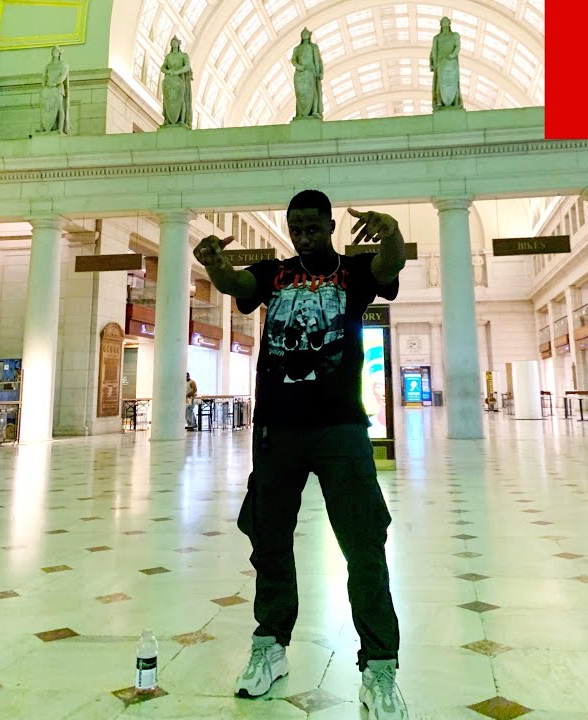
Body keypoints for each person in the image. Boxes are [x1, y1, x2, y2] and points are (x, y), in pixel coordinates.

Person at [193, 190, 410, 718]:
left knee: (363, 542)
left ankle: (379, 665)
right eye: (296, 227)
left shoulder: (353, 272)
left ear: (331, 226)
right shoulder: (274, 273)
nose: (304, 235)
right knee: (268, 540)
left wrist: (392, 233)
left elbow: (390, 265)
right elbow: (237, 286)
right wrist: (215, 264)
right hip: (278, 430)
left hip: (340, 428)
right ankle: (270, 643)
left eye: (313, 226)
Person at [429, 16, 463, 109]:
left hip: (452, 63)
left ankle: (455, 102)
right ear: (440, 24)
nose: (445, 22)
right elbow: (434, 51)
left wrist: (452, 55)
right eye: (443, 21)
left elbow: (458, 46)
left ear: (449, 23)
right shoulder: (437, 38)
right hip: (441, 63)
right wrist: (433, 63)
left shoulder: (455, 35)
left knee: (453, 82)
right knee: (440, 82)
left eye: (446, 21)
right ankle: (439, 101)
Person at [291, 27, 324, 119]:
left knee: (313, 92)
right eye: (303, 34)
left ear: (310, 35)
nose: (305, 35)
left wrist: (320, 72)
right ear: (301, 36)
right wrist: (298, 66)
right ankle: (301, 113)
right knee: (301, 94)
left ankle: (314, 111)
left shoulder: (314, 47)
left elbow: (318, 60)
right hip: (300, 74)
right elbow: (293, 60)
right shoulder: (297, 48)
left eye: (307, 34)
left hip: (311, 72)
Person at [160, 37, 193, 127]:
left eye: (176, 42)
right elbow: (162, 67)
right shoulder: (168, 56)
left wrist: (177, 72)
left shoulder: (184, 55)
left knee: (181, 99)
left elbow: (187, 66)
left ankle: (182, 120)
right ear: (171, 44)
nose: (174, 43)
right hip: (170, 80)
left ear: (179, 44)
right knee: (168, 99)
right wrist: (168, 71)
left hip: (180, 79)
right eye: (172, 42)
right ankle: (167, 120)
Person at [39, 46, 70, 134]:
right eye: (53, 50)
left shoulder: (64, 65)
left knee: (59, 107)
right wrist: (44, 85)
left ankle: (60, 128)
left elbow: (63, 76)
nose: (54, 52)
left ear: (59, 53)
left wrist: (55, 83)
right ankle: (46, 127)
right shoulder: (48, 66)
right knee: (46, 108)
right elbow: (45, 77)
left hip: (58, 89)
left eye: (56, 50)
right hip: (48, 89)